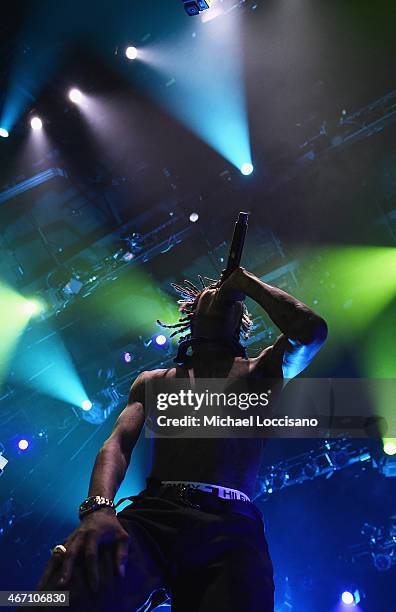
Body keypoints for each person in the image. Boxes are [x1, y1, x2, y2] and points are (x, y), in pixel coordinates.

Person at [35, 267, 327, 611]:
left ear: (240, 322)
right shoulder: (153, 381)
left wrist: (247, 283)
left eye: (232, 298)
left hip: (231, 527)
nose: (222, 294)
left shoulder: (262, 372)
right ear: (191, 314)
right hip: (156, 515)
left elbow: (311, 332)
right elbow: (117, 445)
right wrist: (98, 509)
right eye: (212, 292)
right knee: (65, 584)